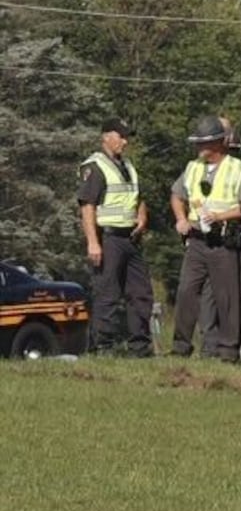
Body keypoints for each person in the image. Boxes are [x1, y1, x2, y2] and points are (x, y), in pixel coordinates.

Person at [170, 115, 241, 362]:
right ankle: (180, 346)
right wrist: (181, 219)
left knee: (226, 296)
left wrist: (222, 216)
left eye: (204, 143)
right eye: (197, 143)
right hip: (197, 241)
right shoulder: (192, 167)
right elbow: (177, 195)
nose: (199, 148)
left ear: (220, 142)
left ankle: (229, 350)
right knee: (187, 290)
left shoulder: (238, 169)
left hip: (224, 241)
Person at [78, 119, 152, 356]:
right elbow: (87, 206)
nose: (125, 141)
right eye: (121, 136)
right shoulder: (95, 166)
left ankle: (140, 346)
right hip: (108, 238)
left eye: (126, 136)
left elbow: (138, 196)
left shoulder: (128, 165)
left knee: (140, 293)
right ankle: (104, 346)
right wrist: (93, 242)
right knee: (108, 293)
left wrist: (141, 217)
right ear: (106, 137)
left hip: (131, 238)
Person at [199, 119, 241, 360]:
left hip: (237, 229)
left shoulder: (234, 167)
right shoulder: (202, 166)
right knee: (213, 289)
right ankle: (211, 343)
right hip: (213, 232)